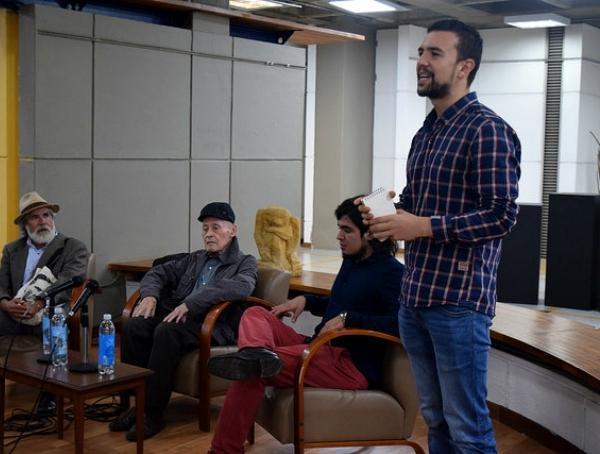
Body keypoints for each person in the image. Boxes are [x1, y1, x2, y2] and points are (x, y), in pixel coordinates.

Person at [362, 19, 521, 454]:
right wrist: (385, 215)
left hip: (458, 303)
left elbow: (501, 216)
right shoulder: (426, 132)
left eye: (435, 54)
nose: (421, 62)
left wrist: (422, 226)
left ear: (465, 66)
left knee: (467, 427)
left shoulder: (486, 129)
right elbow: (415, 204)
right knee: (434, 418)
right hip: (415, 297)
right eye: (420, 53)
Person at [207, 196, 404, 454]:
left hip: (348, 364)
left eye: (347, 230)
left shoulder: (392, 273)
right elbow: (340, 302)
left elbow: (401, 324)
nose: (338, 236)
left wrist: (349, 320)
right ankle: (256, 355)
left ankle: (223, 450)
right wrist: (306, 300)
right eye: (339, 228)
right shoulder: (353, 261)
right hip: (320, 348)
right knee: (256, 313)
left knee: (250, 370)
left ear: (370, 234)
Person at [111, 202, 257, 441]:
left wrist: (192, 303)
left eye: (216, 228)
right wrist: (149, 295)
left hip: (213, 325)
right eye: (205, 229)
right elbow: (157, 273)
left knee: (167, 331)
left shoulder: (245, 262)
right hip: (178, 317)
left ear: (233, 230)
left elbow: (241, 286)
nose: (209, 234)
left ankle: (153, 413)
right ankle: (137, 405)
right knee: (134, 324)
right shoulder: (195, 258)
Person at [0, 192, 89, 417]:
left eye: (47, 215)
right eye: (35, 217)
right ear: (25, 224)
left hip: (48, 311)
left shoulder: (72, 247)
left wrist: (40, 303)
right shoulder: (13, 249)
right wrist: (4, 304)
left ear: (53, 219)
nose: (42, 221)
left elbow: (68, 281)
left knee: (57, 316)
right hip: (13, 313)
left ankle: (50, 393)